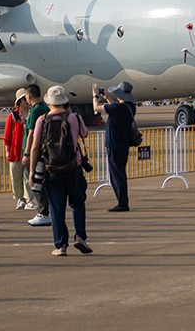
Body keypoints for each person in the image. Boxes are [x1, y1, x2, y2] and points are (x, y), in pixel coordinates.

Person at [28, 85, 92, 256]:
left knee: (57, 209)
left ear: (49, 102)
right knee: (77, 204)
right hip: (73, 167)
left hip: (52, 169)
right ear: (65, 102)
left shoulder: (42, 120)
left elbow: (35, 147)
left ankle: (60, 245)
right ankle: (80, 236)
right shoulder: (74, 118)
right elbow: (84, 135)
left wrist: (32, 171)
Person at [96, 81, 136, 211]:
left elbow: (96, 108)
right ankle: (122, 200)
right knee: (120, 173)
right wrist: (107, 97)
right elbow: (115, 107)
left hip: (114, 144)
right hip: (123, 144)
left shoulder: (118, 108)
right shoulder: (129, 107)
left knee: (116, 175)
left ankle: (122, 202)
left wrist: (95, 96)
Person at [23, 84, 52, 226]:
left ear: (28, 96)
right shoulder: (46, 108)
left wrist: (27, 153)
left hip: (37, 152)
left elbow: (31, 134)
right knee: (45, 182)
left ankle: (43, 212)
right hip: (47, 150)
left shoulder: (35, 111)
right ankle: (45, 209)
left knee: (35, 182)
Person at [5, 88, 32, 211]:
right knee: (16, 174)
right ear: (19, 101)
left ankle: (29, 199)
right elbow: (7, 135)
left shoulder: (31, 113)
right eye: (23, 99)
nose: (26, 101)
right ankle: (19, 199)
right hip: (16, 149)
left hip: (28, 148)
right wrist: (7, 149)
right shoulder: (12, 116)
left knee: (28, 174)